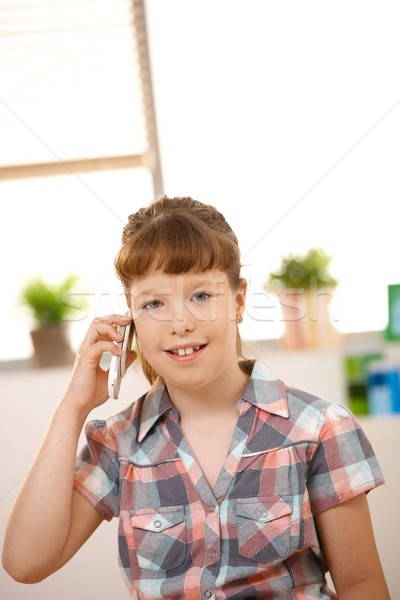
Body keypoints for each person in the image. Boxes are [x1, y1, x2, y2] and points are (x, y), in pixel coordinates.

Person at [2, 196, 390, 599]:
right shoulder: (119, 445)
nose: (181, 323)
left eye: (201, 296)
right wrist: (73, 406)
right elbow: (25, 563)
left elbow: (362, 585)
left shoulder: (320, 428)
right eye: (154, 303)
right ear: (131, 321)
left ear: (238, 302)